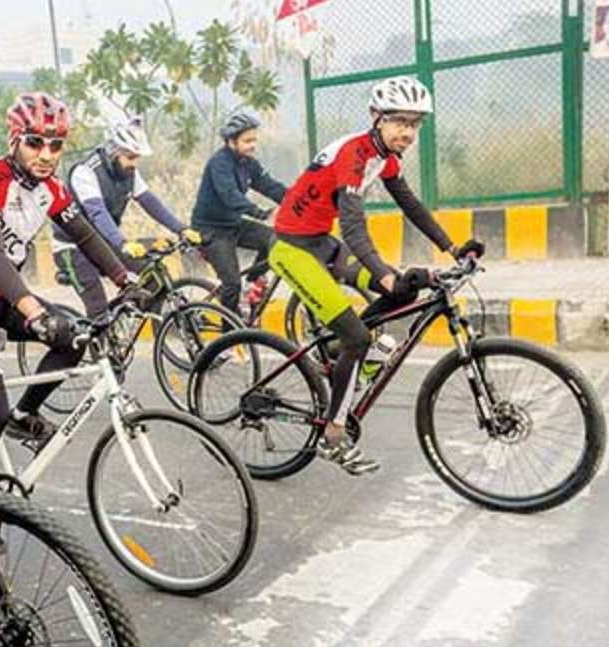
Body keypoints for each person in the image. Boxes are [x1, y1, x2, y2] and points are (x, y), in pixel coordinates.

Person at [0, 91, 150, 488]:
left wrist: (125, 278)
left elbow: (85, 235)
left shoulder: (51, 188)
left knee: (75, 334)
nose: (46, 154)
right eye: (35, 142)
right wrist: (36, 312)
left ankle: (22, 417)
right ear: (14, 140)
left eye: (56, 145)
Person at [270, 75, 484, 475]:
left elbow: (412, 206)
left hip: (321, 243)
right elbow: (353, 227)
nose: (408, 131)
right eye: (399, 121)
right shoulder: (353, 154)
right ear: (376, 117)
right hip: (292, 249)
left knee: (402, 294)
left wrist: (454, 248)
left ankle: (337, 352)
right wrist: (383, 274)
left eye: (415, 123)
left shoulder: (385, 158)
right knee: (359, 332)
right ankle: (332, 437)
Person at [50, 116, 202, 318]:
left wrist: (181, 228)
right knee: (98, 305)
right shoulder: (85, 172)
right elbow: (98, 214)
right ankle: (99, 332)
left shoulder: (128, 172)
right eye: (129, 157)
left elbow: (150, 202)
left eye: (136, 158)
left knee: (151, 276)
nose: (134, 164)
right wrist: (122, 243)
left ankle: (134, 320)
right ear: (114, 153)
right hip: (72, 247)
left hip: (103, 243)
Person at [190, 111, 289, 319]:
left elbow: (269, 186)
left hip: (234, 224)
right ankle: (229, 340)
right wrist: (260, 213)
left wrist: (296, 201)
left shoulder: (248, 163)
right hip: (211, 230)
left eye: (254, 140)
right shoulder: (219, 163)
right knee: (232, 283)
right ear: (231, 141)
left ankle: (253, 281)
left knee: (276, 240)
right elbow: (230, 195)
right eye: (247, 141)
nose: (252, 145)